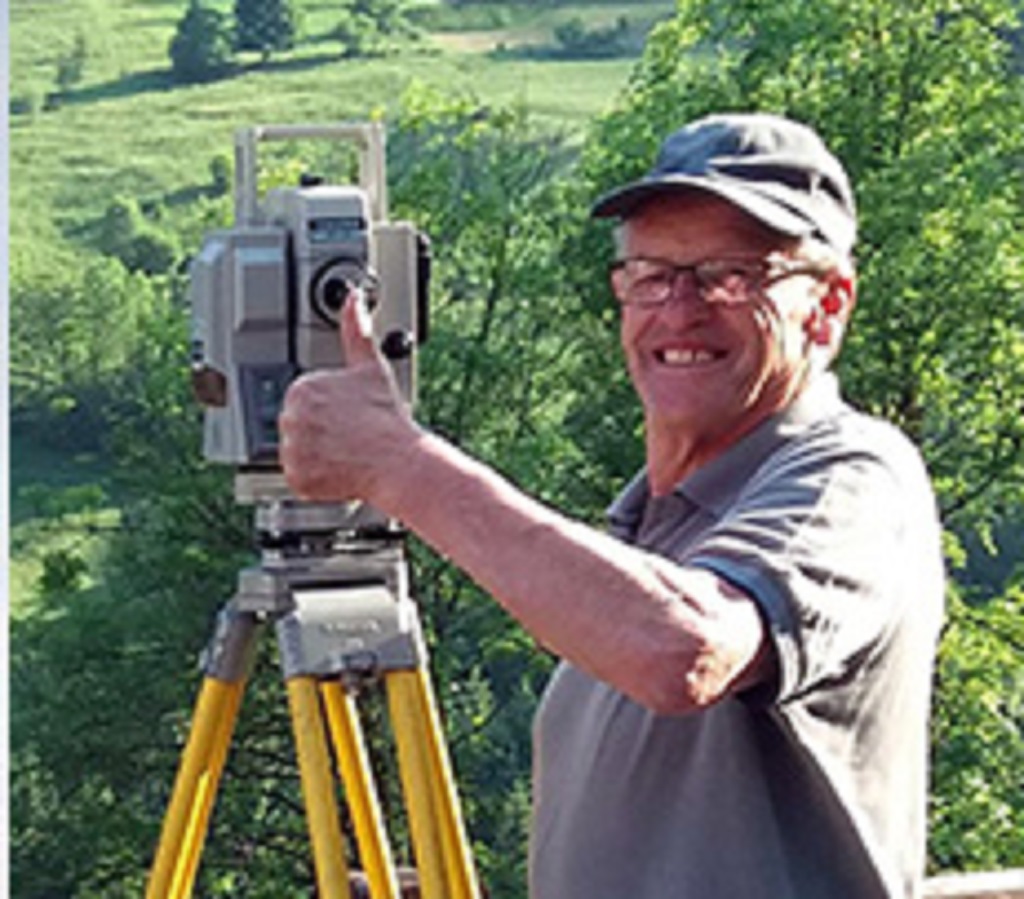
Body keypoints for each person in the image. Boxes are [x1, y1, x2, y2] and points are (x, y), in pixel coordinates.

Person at [278, 112, 945, 898]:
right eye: (652, 274)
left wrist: (400, 465)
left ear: (828, 305)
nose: (681, 309)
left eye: (731, 275)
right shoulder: (643, 539)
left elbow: (685, 651)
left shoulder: (854, 476)